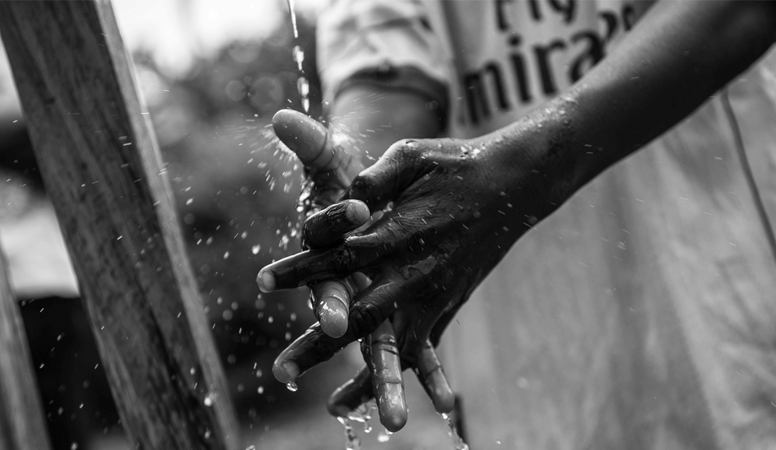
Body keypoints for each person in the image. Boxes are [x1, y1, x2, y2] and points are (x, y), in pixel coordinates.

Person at [260, 0, 776, 446]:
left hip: (733, 336)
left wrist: (533, 167)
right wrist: (363, 190)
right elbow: (386, 78)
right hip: (535, 391)